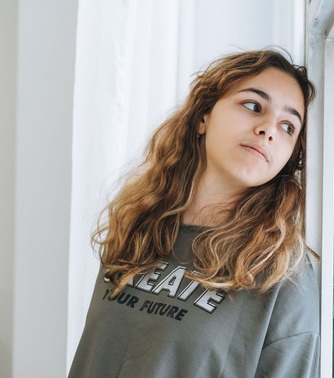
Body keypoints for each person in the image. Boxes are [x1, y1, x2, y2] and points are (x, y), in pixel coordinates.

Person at [69, 49, 320, 378]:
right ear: (204, 116)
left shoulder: (281, 274)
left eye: (288, 126)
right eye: (253, 106)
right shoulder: (137, 225)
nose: (268, 129)